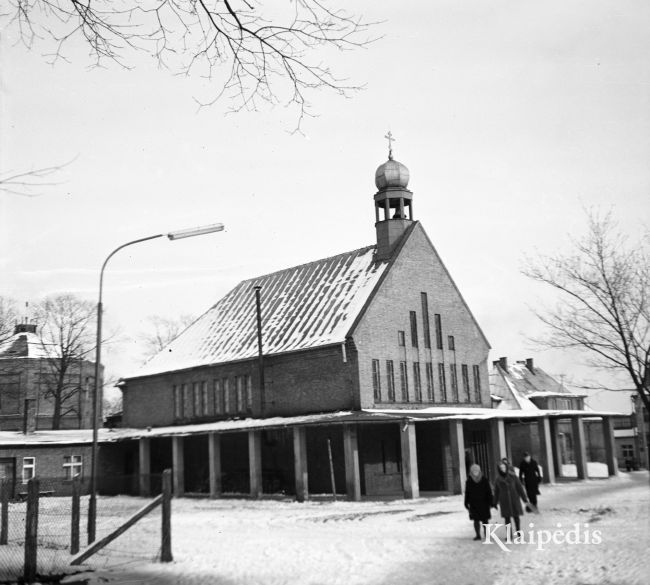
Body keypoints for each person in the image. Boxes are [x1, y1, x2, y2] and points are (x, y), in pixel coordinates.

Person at [493, 461, 528, 533]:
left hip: (514, 499)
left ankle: (518, 532)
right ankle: (509, 534)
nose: (503, 469)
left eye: (504, 467)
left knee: (516, 517)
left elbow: (520, 488)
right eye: (501, 468)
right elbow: (496, 492)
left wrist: (524, 499)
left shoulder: (513, 476)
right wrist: (495, 502)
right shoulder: (498, 479)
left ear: (506, 467)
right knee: (507, 519)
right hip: (504, 501)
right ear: (499, 469)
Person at [464, 463, 493, 541]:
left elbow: (489, 492)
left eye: (476, 470)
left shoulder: (484, 480)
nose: (475, 472)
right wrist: (466, 502)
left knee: (485, 520)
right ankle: (478, 535)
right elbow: (467, 493)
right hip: (474, 503)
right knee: (476, 520)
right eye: (474, 471)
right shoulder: (469, 481)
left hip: (484, 503)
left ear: (479, 471)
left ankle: (487, 535)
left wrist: (491, 501)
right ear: (471, 471)